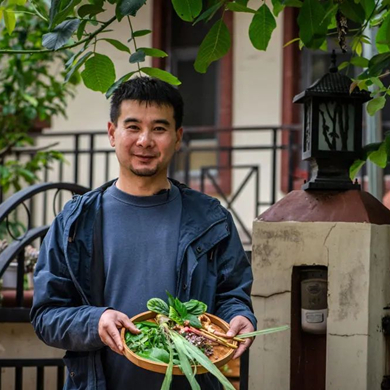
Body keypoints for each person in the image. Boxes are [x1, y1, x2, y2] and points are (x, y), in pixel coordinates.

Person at [31, 77, 257, 390]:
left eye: (159, 129)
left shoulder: (211, 220)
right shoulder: (75, 222)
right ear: (112, 133)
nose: (145, 141)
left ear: (178, 138)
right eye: (133, 126)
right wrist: (95, 321)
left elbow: (232, 295)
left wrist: (240, 316)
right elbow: (47, 314)